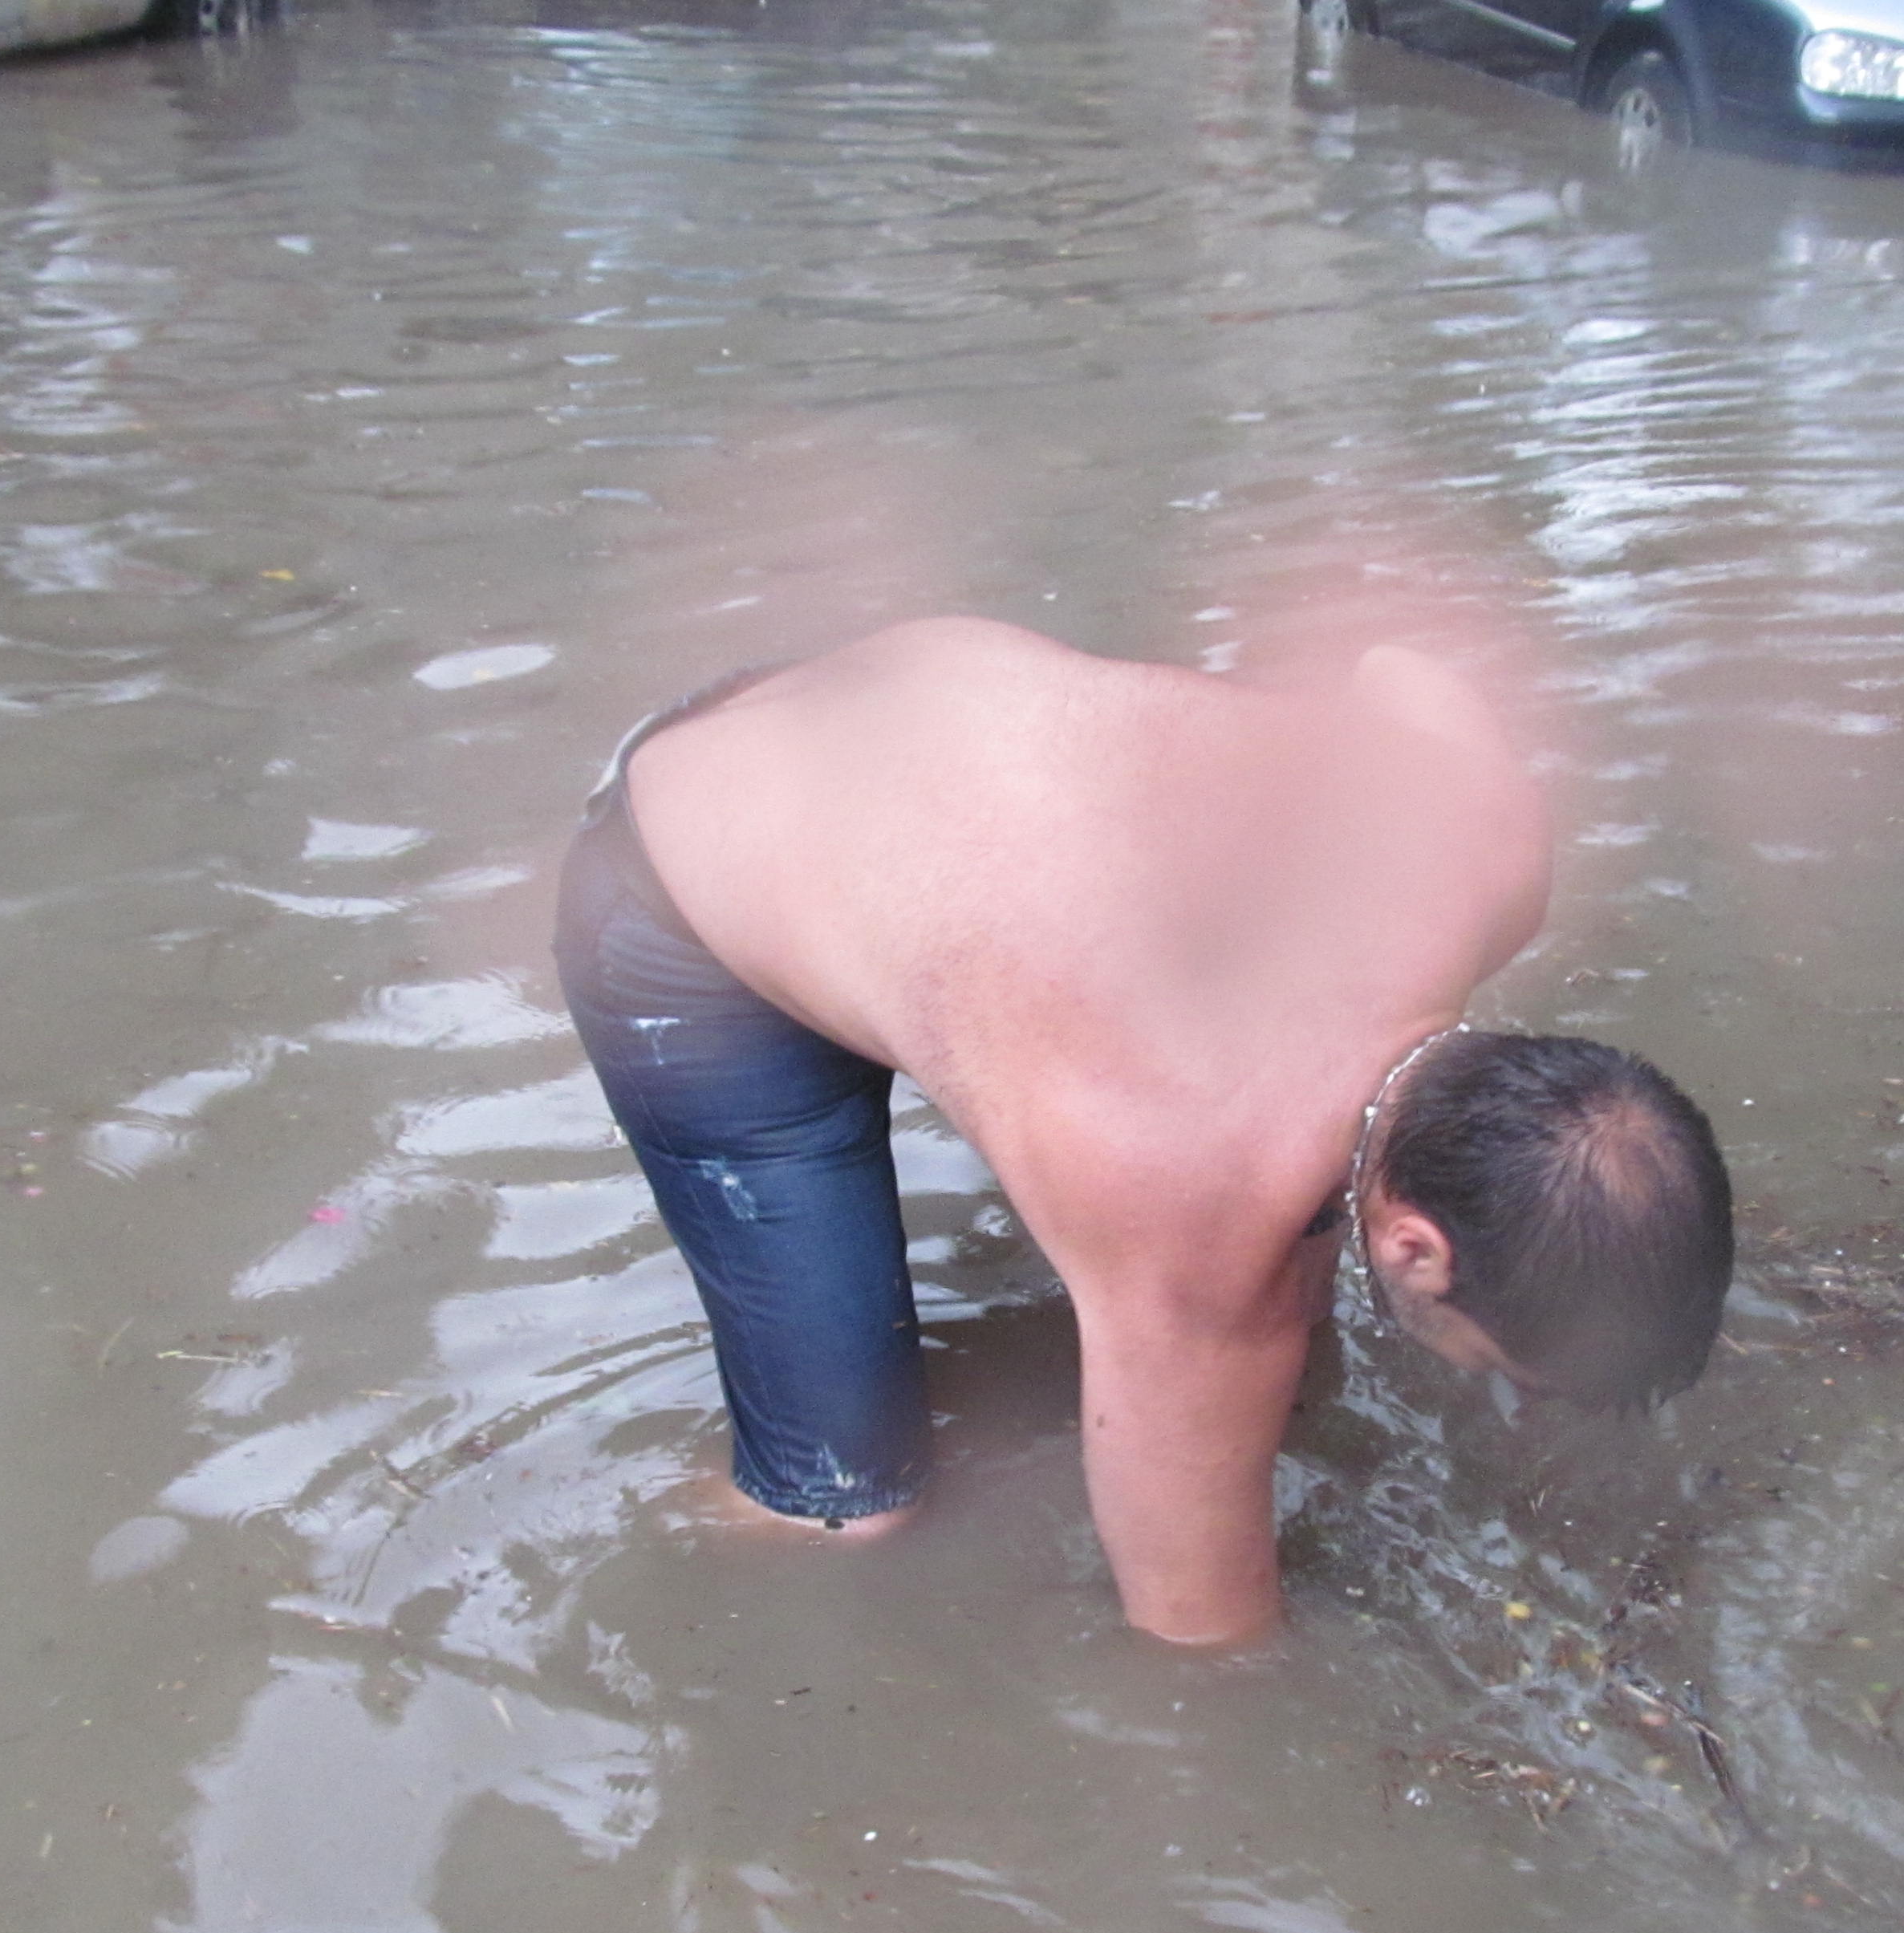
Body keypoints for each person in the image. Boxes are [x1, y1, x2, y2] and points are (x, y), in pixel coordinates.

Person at [552, 617, 1731, 1648]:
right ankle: (582, 1507)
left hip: (868, 711)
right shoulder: (1183, 1193)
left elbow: (1400, 663)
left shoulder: (1487, 839)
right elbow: (1197, 1633)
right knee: (847, 1510)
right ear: (1418, 1250)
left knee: (1285, 1312)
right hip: (686, 882)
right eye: (1490, 1365)